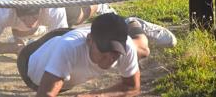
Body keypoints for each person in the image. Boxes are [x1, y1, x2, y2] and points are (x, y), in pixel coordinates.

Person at [17, 13, 177, 96]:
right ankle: (27, 41)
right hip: (30, 60)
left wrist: (97, 95)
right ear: (90, 40)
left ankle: (133, 23)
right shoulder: (68, 49)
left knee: (143, 50)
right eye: (104, 50)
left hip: (82, 40)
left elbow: (133, 87)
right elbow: (46, 93)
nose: (109, 59)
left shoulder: (125, 46)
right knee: (37, 48)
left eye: (115, 53)